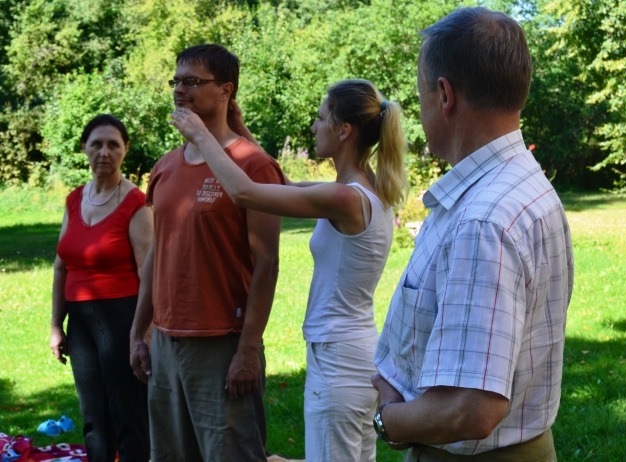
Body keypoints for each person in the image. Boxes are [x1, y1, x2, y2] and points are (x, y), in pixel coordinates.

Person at [370, 7, 574, 462]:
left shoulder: (483, 220)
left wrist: (388, 419)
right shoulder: (522, 185)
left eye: (422, 94)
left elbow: (472, 408)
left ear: (445, 95)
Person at [170, 78, 409, 462]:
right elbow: (280, 184)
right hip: (353, 351)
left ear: (344, 130)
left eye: (321, 118)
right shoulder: (364, 189)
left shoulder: (344, 197)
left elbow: (245, 193)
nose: (314, 127)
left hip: (337, 359)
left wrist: (201, 135)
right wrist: (241, 131)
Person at [128, 44, 283, 461]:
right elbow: (157, 253)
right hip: (165, 341)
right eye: (176, 81)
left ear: (226, 90)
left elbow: (267, 263)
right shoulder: (164, 166)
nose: (179, 90)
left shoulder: (252, 165)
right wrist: (138, 332)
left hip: (222, 343)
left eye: (193, 82)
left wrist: (248, 349)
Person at [50, 114, 153, 462]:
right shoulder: (74, 200)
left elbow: (149, 272)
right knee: (93, 415)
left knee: (128, 413)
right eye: (96, 144)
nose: (104, 152)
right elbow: (61, 266)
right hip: (80, 323)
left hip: (122, 318)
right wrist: (56, 325)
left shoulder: (137, 204)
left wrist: (143, 334)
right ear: (84, 148)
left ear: (125, 149)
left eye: (113, 145)